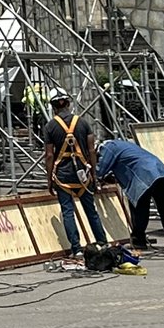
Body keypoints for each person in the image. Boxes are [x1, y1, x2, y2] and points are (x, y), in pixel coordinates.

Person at [38, 88, 106, 255]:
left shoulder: (50, 127)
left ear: (53, 107)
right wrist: (95, 176)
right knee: (91, 211)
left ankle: (76, 249)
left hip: (63, 176)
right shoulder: (82, 122)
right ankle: (102, 244)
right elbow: (91, 151)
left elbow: (49, 155)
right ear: (68, 103)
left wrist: (49, 180)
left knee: (68, 211)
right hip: (83, 174)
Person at [93, 134, 164, 250]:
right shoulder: (122, 145)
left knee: (139, 208)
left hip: (144, 175)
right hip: (163, 172)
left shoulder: (107, 147)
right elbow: (127, 163)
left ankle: (138, 241)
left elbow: (99, 170)